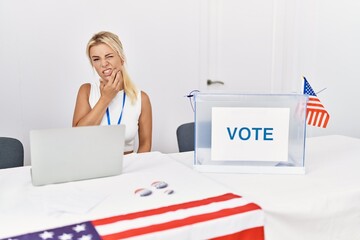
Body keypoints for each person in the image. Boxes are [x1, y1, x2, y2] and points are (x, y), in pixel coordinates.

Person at [73, 31, 152, 154]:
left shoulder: (141, 98)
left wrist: (135, 170)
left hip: (129, 168)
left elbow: (145, 145)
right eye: (96, 59)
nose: (103, 64)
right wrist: (105, 98)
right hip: (93, 168)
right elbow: (77, 137)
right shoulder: (86, 91)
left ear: (121, 58)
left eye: (109, 56)